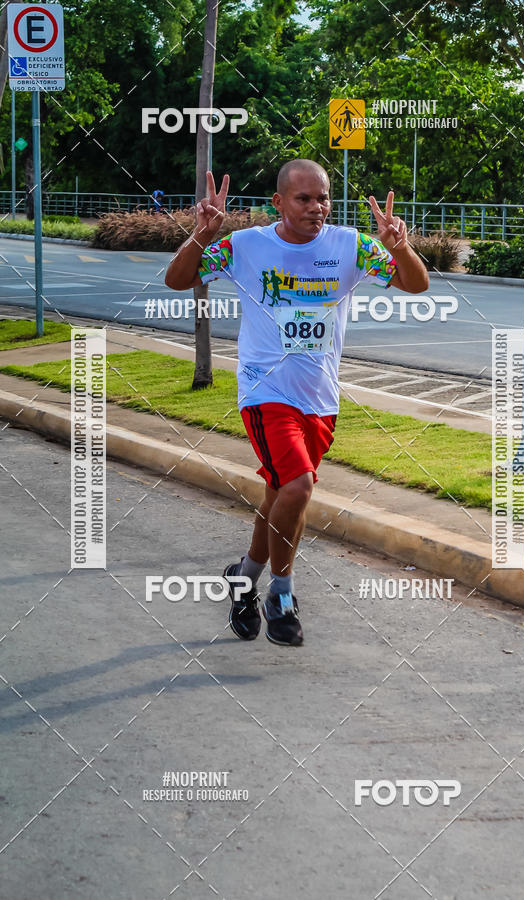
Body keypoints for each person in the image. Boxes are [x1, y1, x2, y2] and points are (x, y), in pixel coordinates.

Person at [164, 160, 428, 647]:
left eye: (323, 197)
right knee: (299, 487)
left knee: (280, 496)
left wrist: (399, 246)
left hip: (320, 400)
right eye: (304, 199)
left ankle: (243, 578)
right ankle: (280, 596)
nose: (316, 208)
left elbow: (416, 284)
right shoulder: (245, 246)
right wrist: (202, 234)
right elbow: (177, 280)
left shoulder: (352, 246)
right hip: (265, 393)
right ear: (278, 202)